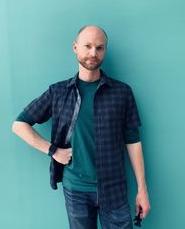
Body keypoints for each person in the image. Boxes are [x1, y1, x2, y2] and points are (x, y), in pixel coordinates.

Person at [12, 25, 151, 229]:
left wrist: (142, 189)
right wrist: (53, 151)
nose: (93, 53)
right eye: (87, 46)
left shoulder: (122, 92)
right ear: (75, 47)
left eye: (99, 48)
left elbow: (133, 141)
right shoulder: (58, 92)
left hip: (114, 189)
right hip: (76, 190)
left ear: (105, 51)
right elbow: (19, 125)